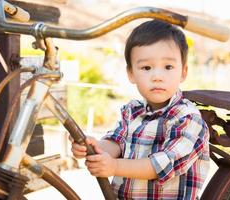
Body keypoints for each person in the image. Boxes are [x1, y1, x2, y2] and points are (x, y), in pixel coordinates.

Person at [69, 19, 209, 199]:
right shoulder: (132, 111)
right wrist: (94, 148)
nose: (157, 76)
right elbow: (117, 142)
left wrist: (114, 167)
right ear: (131, 73)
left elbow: (162, 164)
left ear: (183, 72)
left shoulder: (188, 118)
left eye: (168, 67)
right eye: (146, 67)